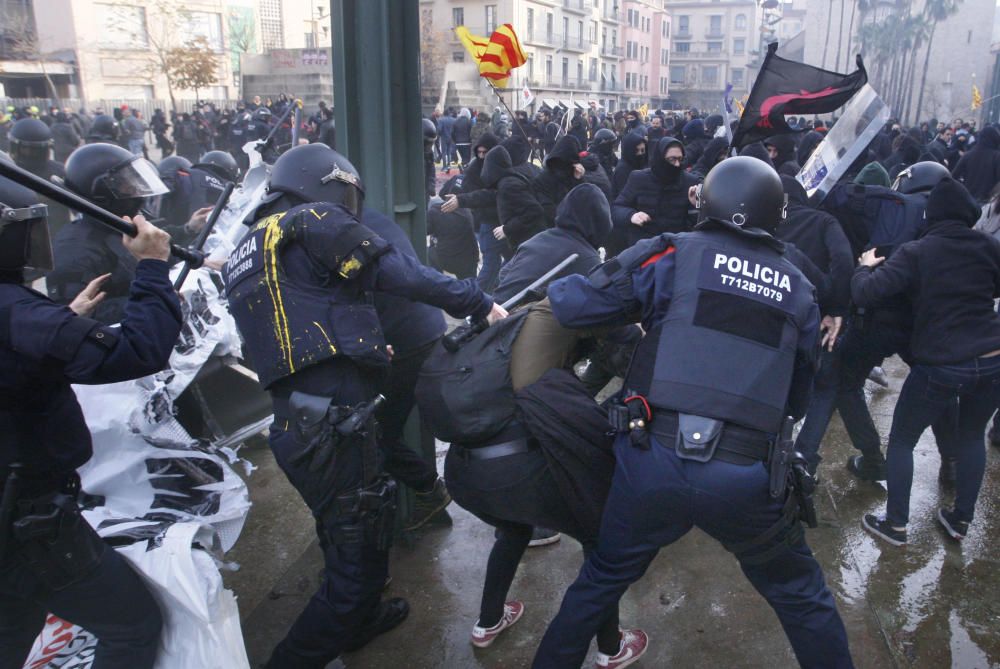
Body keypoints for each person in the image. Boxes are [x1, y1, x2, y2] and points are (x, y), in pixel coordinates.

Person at [532, 157, 853, 668]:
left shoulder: (672, 254)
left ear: (706, 202)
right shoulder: (799, 288)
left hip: (652, 461)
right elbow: (796, 397)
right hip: (748, 476)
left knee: (598, 582)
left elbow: (574, 305)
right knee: (802, 598)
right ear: (777, 216)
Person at [222, 143, 505, 668]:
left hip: (299, 422)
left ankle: (363, 620)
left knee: (340, 535)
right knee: (358, 573)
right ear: (326, 183)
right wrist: (477, 300)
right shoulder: (312, 219)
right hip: (333, 426)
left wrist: (361, 346)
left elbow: (298, 322)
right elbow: (401, 273)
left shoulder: (252, 244)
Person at [0, 174, 182, 668]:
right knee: (132, 623)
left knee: (13, 634)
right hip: (30, 524)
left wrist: (60, 323)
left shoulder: (24, 318)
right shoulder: (17, 312)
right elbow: (140, 351)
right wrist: (152, 267)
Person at [853, 178, 1000, 545]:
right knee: (971, 437)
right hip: (993, 359)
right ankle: (960, 521)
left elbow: (867, 293)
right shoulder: (989, 246)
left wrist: (864, 265)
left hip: (943, 363)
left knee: (902, 439)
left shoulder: (917, 251)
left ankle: (896, 525)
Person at [48, 143, 170, 324]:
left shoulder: (115, 227)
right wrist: (153, 298)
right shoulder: (74, 250)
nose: (136, 191)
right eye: (127, 185)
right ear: (101, 192)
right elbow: (72, 318)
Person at [612, 137, 698, 248]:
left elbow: (701, 222)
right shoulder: (638, 178)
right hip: (643, 246)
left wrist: (695, 206)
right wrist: (631, 215)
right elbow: (617, 208)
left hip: (676, 246)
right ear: (661, 158)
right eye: (672, 159)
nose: (677, 165)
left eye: (680, 159)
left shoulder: (691, 181)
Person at [427, 176, 479, 280]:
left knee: (429, 252)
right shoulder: (470, 213)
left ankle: (437, 283)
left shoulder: (435, 210)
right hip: (469, 259)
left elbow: (425, 230)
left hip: (445, 259)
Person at [951, 126, 1000, 203]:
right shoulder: (997, 156)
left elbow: (953, 176)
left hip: (968, 200)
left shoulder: (968, 155)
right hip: (988, 202)